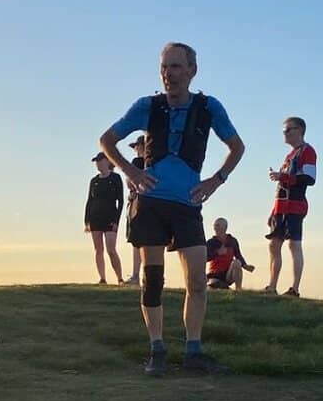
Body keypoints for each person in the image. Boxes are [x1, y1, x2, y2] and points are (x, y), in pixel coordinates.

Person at [98, 42, 245, 377]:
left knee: (197, 281)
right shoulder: (147, 106)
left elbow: (237, 147)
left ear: (192, 70)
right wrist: (130, 171)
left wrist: (216, 180)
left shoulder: (209, 107)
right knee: (153, 280)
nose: (169, 74)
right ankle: (157, 350)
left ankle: (193, 351)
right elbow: (106, 139)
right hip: (150, 204)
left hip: (187, 206)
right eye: (164, 67)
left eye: (176, 67)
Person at [264, 116, 317, 296]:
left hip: (295, 206)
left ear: (300, 130)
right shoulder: (290, 155)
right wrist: (273, 211)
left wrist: (283, 177)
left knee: (294, 245)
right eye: (284, 130)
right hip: (280, 207)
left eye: (289, 129)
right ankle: (272, 285)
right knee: (274, 244)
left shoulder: (307, 151)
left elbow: (309, 179)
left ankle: (294, 288)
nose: (285, 133)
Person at [84, 153, 125, 284]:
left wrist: (116, 221)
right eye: (96, 162)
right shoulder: (94, 181)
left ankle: (119, 277)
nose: (98, 164)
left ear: (107, 161)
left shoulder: (116, 178)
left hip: (110, 217)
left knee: (111, 250)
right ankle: (102, 278)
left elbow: (121, 201)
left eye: (100, 161)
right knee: (98, 250)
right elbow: (89, 201)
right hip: (95, 217)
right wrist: (87, 221)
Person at [205, 217, 254, 293]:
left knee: (237, 262)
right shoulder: (211, 242)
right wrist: (217, 253)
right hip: (215, 275)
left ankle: (238, 290)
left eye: (217, 225)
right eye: (214, 225)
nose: (215, 228)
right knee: (216, 286)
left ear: (225, 227)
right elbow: (204, 258)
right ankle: (219, 287)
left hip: (228, 273)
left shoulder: (232, 241)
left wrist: (245, 266)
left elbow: (238, 255)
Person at [124, 137, 147, 284]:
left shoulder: (137, 163)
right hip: (154, 201)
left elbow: (129, 182)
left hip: (138, 201)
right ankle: (146, 275)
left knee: (137, 240)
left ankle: (136, 275)